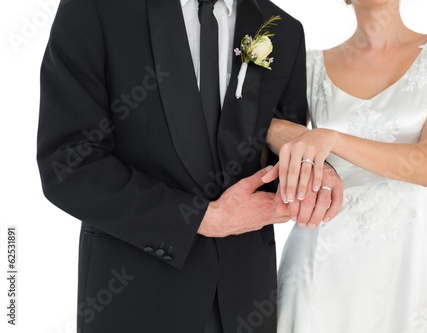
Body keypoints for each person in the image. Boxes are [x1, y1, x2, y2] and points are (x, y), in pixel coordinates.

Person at [36, 0, 343, 332]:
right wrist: (203, 219)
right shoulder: (97, 9)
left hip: (244, 302)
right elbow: (68, 164)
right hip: (135, 295)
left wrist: (312, 175)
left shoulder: (283, 29)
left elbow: (275, 161)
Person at [264, 0, 427, 332]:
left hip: (407, 269)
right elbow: (278, 146)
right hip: (320, 265)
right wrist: (272, 130)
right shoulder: (310, 67)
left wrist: (331, 139)